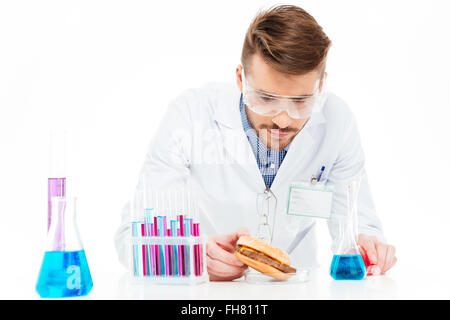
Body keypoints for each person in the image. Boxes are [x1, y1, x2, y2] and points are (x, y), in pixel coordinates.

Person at [115, 5, 396, 281]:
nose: (284, 120)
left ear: (320, 87)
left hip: (296, 289)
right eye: (266, 99)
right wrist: (193, 256)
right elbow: (130, 239)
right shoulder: (190, 115)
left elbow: (357, 225)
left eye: (300, 102)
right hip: (209, 292)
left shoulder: (337, 122)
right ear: (240, 79)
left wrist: (370, 247)